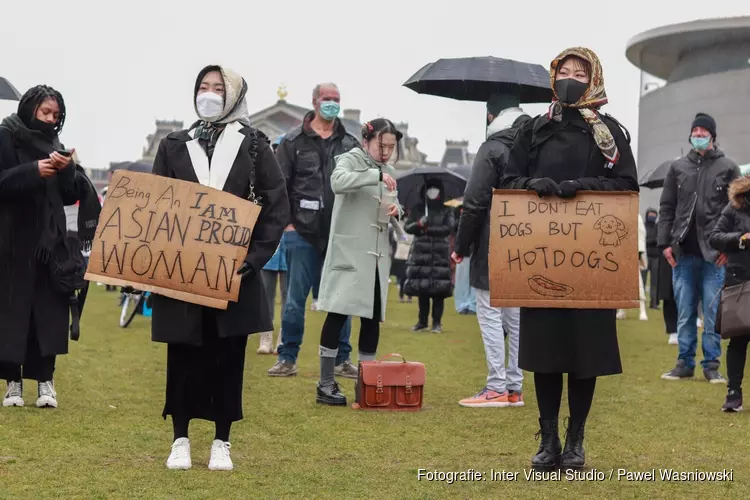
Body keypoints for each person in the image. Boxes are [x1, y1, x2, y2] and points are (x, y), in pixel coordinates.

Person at [499, 47, 638, 469]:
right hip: (540, 257)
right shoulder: (533, 129)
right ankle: (548, 438)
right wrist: (533, 183)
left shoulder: (609, 134)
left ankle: (576, 439)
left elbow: (627, 184)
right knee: (546, 351)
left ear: (593, 78)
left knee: (585, 352)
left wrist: (584, 185)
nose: (571, 77)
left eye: (580, 72)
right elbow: (507, 180)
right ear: (553, 76)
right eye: (564, 70)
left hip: (592, 260)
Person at [150, 65, 288, 471]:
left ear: (233, 96)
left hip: (234, 272)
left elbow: (276, 207)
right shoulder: (174, 144)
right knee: (184, 353)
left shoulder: (255, 145)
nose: (208, 94)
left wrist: (253, 259)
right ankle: (179, 438)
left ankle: (222, 441)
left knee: (229, 356)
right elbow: (155, 207)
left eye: (217, 88)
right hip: (182, 272)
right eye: (202, 87)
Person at [0, 85, 95, 409]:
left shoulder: (56, 144)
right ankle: (13, 384)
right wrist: (33, 171)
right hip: (11, 241)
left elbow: (69, 195)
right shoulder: (6, 135)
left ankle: (46, 381)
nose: (51, 119)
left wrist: (67, 169)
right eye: (45, 112)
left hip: (49, 243)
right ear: (30, 109)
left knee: (50, 313)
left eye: (56, 115)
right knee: (13, 314)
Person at [270, 82, 359, 378]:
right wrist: (288, 225)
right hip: (301, 233)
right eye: (327, 98)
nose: (332, 103)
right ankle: (287, 357)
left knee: (340, 299)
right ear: (314, 101)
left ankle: (341, 358)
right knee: (295, 300)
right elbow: (279, 185)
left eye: (336, 98)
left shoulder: (349, 143)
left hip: (338, 233)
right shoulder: (292, 141)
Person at [315, 118, 402, 406]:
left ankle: (367, 384)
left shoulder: (387, 170)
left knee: (372, 318)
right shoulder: (350, 160)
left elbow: (393, 200)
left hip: (376, 259)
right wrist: (373, 176)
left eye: (391, 147)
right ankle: (325, 384)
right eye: (382, 145)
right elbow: (338, 183)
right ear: (366, 140)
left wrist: (396, 209)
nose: (386, 152)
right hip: (350, 254)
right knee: (338, 314)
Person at [453, 93, 530, 408]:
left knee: (489, 311)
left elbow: (473, 202)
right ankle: (514, 386)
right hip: (525, 242)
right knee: (516, 316)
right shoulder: (530, 150)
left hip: (491, 240)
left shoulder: (491, 149)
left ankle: (496, 385)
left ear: (490, 117)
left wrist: (461, 245)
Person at [658, 112, 740, 383]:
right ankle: (684, 363)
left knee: (714, 311)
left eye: (705, 132)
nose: (700, 136)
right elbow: (667, 207)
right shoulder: (677, 167)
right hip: (682, 252)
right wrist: (665, 243)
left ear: (713, 136)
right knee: (685, 310)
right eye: (696, 131)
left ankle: (712, 365)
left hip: (715, 254)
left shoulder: (728, 167)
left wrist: (731, 246)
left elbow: (740, 210)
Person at [709, 176, 750, 412]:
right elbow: (715, 237)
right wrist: (740, 240)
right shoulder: (736, 205)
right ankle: (733, 392)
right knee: (739, 338)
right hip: (740, 283)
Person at [403, 180, 455, 332]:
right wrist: (419, 224)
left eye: (435, 189)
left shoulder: (447, 210)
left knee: (439, 291)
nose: (433, 191)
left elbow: (448, 228)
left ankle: (437, 323)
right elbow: (408, 227)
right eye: (430, 189)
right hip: (421, 254)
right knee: (423, 290)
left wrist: (428, 229)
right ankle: (422, 321)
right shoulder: (418, 209)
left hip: (439, 254)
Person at [258, 237, 287, 354]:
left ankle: (283, 339)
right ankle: (265, 339)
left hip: (290, 246)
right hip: (268, 249)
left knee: (288, 296)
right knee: (265, 295)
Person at [644, 208, 660, 309]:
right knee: (642, 281)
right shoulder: (643, 226)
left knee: (655, 283)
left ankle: (653, 303)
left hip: (656, 258)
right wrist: (653, 240)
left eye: (654, 214)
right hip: (644, 257)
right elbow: (644, 240)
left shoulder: (658, 226)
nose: (652, 216)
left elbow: (659, 239)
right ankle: (641, 304)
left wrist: (652, 240)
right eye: (650, 214)